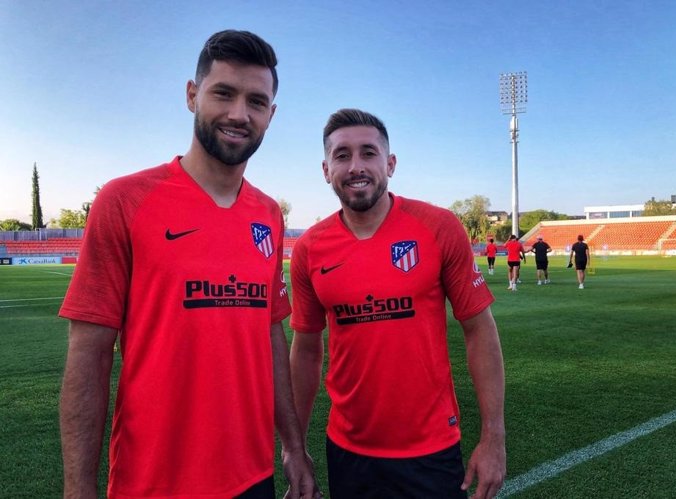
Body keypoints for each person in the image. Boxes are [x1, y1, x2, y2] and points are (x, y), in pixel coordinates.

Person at [58, 30, 317, 499]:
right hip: (154, 482)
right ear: (192, 95)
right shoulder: (125, 200)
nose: (240, 114)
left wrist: (293, 448)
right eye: (224, 93)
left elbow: (271, 333)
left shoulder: (267, 213)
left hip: (252, 478)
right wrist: (78, 490)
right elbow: (88, 354)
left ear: (271, 115)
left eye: (256, 101)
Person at [289, 109, 506, 499]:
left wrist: (494, 436)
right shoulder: (309, 249)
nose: (356, 166)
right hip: (348, 452)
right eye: (342, 155)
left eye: (368, 153)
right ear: (326, 169)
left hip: (431, 450)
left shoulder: (438, 227)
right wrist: (294, 447)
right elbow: (305, 350)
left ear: (389, 163)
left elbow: (479, 330)